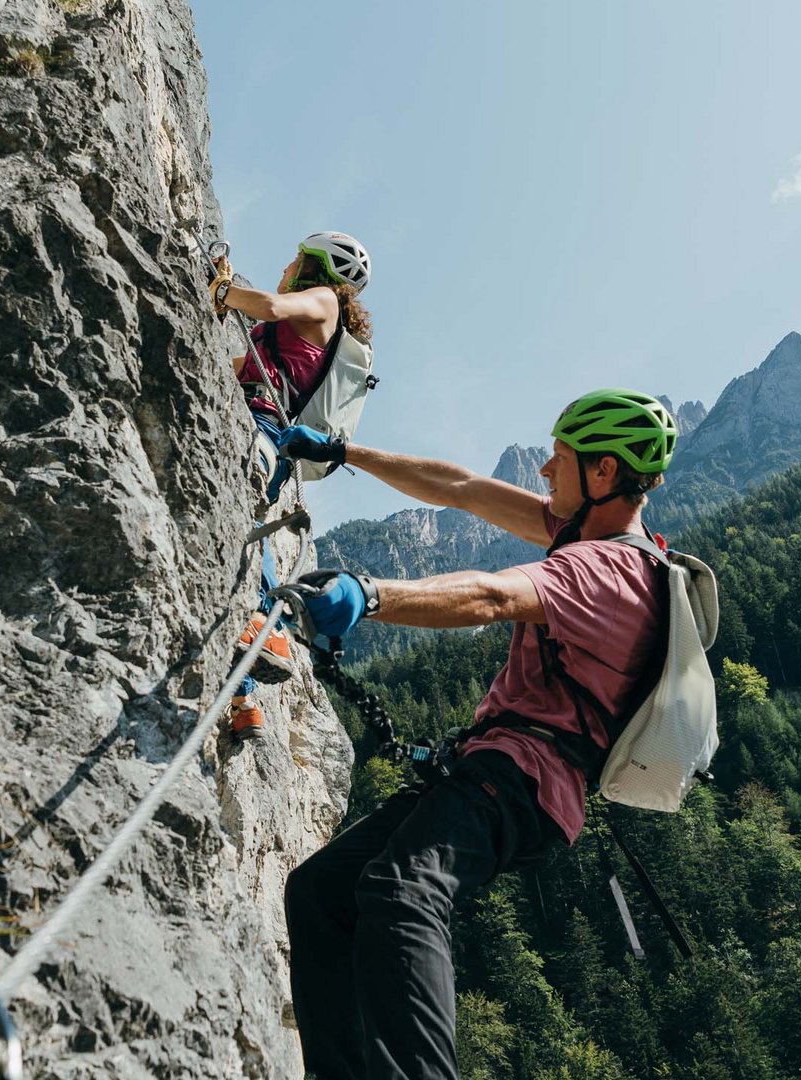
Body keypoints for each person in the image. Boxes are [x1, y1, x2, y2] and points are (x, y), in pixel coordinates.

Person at [275, 389, 680, 1080]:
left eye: (560, 459)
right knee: (321, 892)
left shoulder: (608, 571)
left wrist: (369, 595)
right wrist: (345, 452)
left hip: (524, 779)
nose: (547, 473)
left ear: (605, 472)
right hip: (503, 771)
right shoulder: (582, 535)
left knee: (404, 892)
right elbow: (458, 487)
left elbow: (493, 597)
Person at [210, 232, 374, 741]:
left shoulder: (323, 301)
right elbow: (240, 370)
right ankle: (243, 701)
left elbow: (269, 304)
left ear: (317, 268)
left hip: (262, 430)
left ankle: (271, 632)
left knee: (242, 521)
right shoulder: (298, 337)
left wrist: (222, 289)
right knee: (239, 534)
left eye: (297, 258)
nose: (287, 264)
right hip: (268, 433)